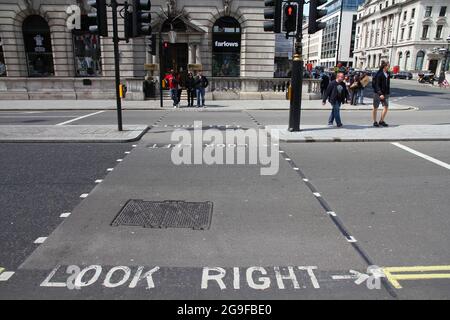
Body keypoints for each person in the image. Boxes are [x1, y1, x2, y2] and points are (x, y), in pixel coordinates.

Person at [372, 61, 391, 127]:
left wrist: (388, 92)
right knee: (375, 107)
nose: (389, 67)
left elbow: (387, 84)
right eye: (388, 66)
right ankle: (374, 121)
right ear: (385, 66)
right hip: (377, 93)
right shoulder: (379, 74)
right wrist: (380, 94)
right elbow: (377, 85)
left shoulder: (388, 73)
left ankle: (381, 121)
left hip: (385, 93)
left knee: (386, 107)